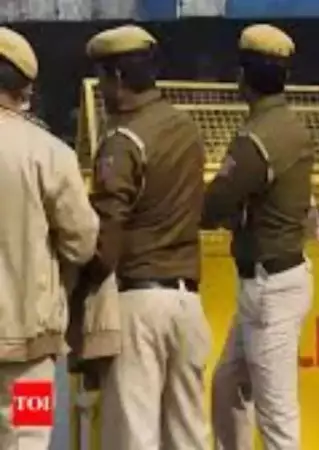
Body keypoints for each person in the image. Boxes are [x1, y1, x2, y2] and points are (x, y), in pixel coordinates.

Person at [83, 25, 210, 449]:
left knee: (134, 435)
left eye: (103, 77)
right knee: (188, 434)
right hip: (187, 303)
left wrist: (79, 284)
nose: (102, 89)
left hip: (138, 304)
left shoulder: (122, 141)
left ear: (118, 78)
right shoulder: (186, 129)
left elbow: (106, 237)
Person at [202, 24, 314, 450]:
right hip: (276, 279)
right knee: (228, 385)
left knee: (276, 414)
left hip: (270, 286)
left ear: (243, 76)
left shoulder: (258, 138)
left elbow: (214, 206)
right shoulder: (288, 125)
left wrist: (227, 213)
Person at [0, 27, 98, 450]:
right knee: (30, 437)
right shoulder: (51, 153)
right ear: (25, 88)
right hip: (32, 346)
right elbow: (82, 241)